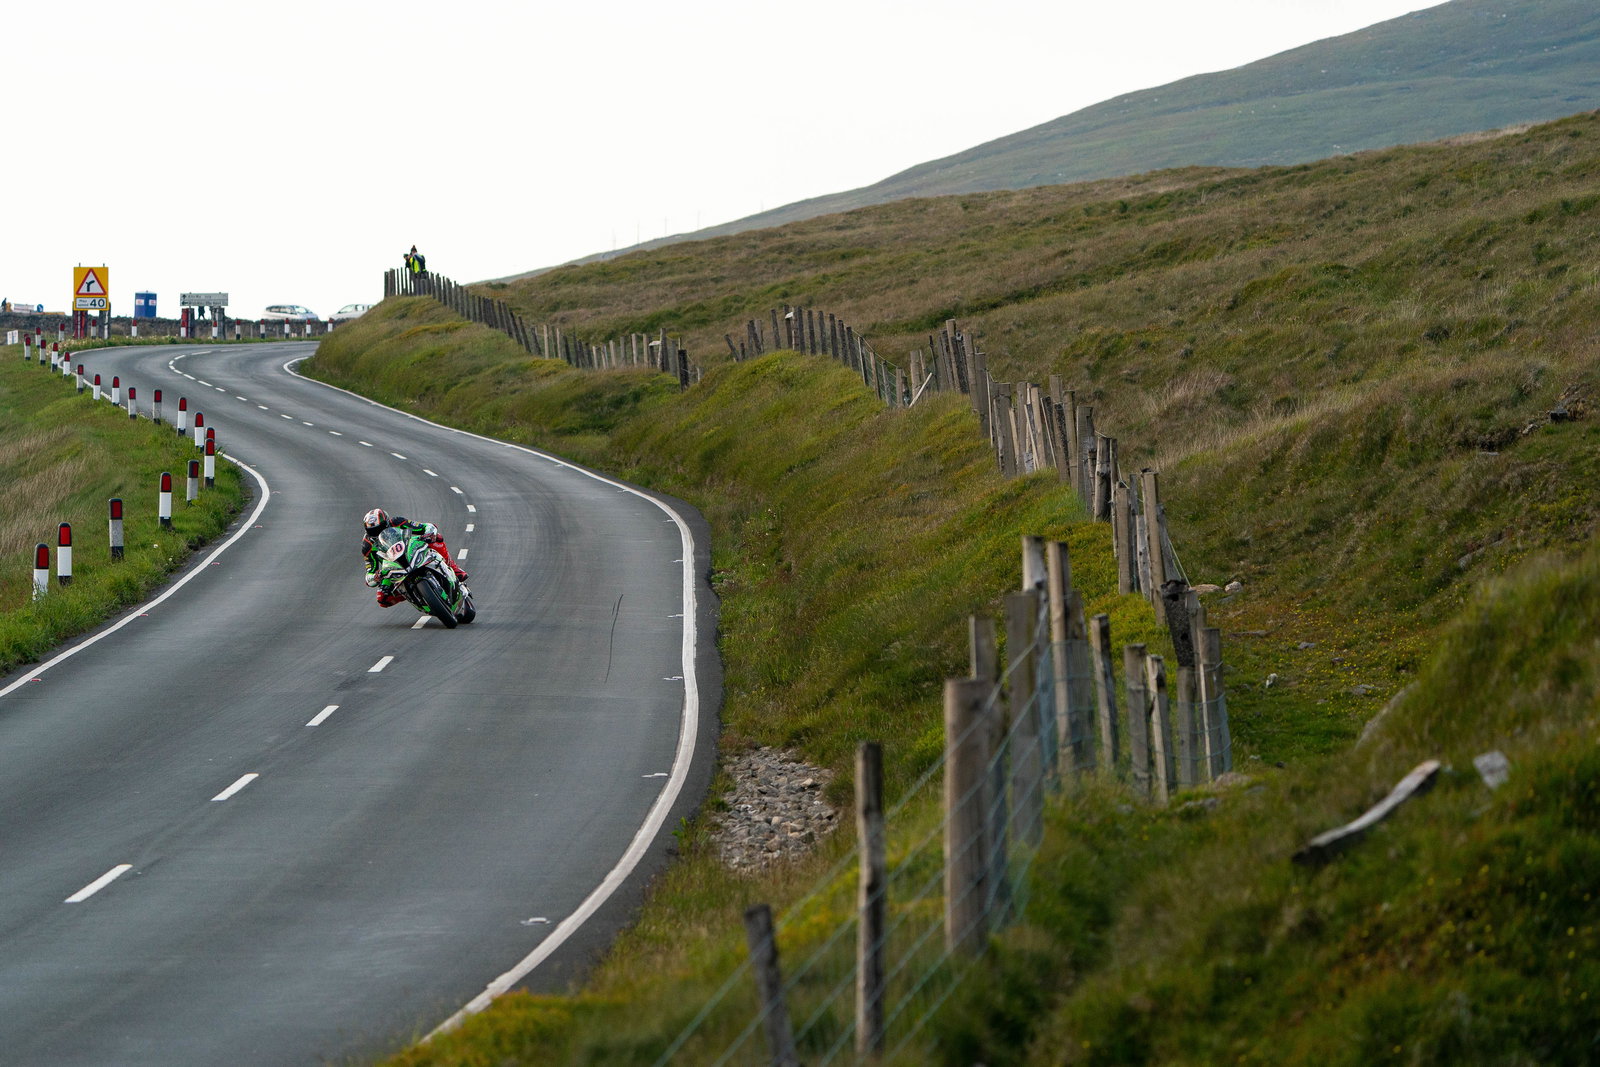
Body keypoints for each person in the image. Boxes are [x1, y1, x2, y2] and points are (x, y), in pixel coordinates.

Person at [361, 507, 467, 607]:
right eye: (373, 531)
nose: (378, 533)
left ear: (387, 523)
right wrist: (375, 577)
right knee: (382, 599)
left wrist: (429, 534)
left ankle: (453, 568)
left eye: (380, 528)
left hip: (410, 550)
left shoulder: (398, 522)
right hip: (392, 567)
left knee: (437, 538)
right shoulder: (367, 546)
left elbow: (425, 527)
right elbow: (369, 574)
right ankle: (415, 596)